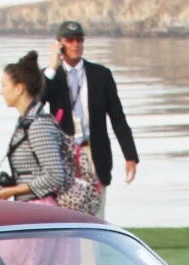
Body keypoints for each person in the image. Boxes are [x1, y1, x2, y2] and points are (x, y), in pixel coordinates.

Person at [0, 51, 79, 265]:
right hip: (42, 212)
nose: (1, 91)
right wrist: (10, 188)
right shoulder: (31, 120)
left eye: (4, 85)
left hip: (37, 212)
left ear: (19, 87)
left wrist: (10, 191)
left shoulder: (38, 125)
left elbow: (55, 176)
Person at [43, 20, 138, 218]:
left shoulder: (101, 75)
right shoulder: (52, 77)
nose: (75, 44)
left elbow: (117, 117)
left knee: (96, 216)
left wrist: (130, 155)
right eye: (69, 40)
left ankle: (93, 250)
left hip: (95, 152)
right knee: (66, 216)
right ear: (60, 44)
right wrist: (52, 67)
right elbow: (35, 102)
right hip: (66, 154)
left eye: (79, 39)